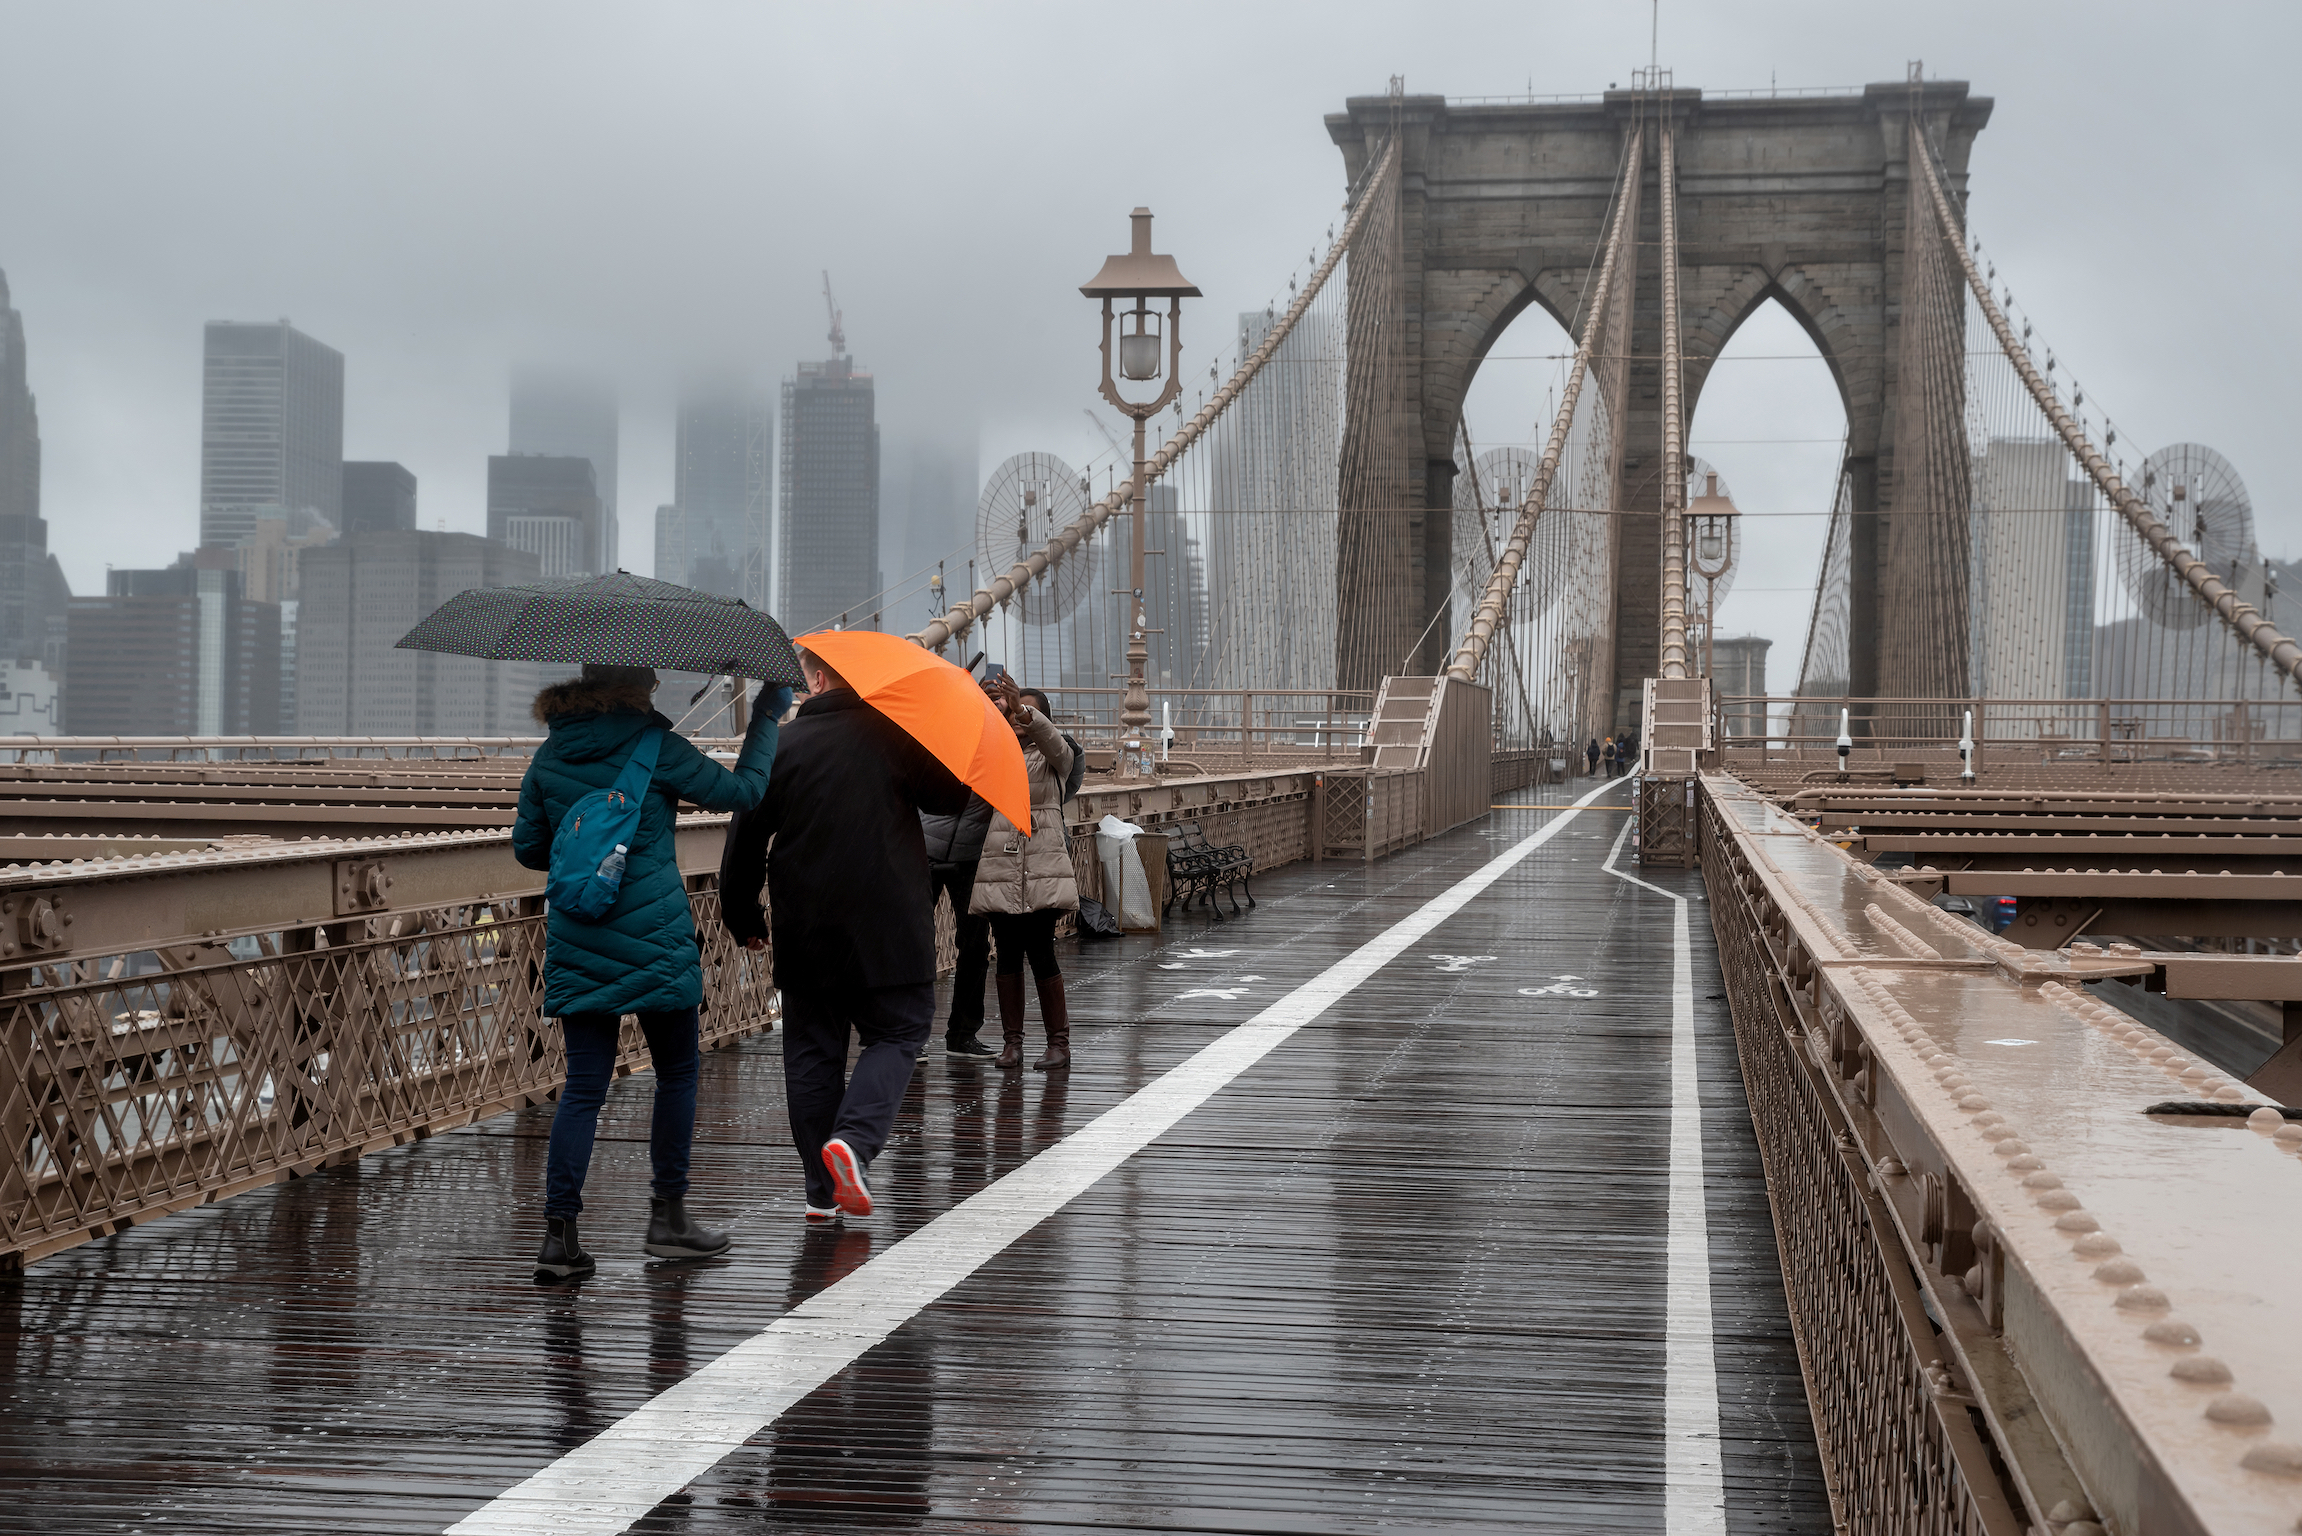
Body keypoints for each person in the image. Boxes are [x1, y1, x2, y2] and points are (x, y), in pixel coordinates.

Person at [512, 664, 786, 1281]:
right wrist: (766, 716)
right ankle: (668, 1220)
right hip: (655, 936)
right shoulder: (655, 744)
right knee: (677, 1073)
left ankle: (559, 1237)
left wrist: (583, 837)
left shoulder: (551, 753)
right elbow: (744, 793)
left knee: (583, 1086)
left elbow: (529, 849)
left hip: (579, 934)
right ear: (639, 686)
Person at [720, 648, 968, 1221]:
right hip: (890, 926)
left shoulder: (778, 747)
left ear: (820, 679)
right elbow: (953, 799)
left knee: (812, 1051)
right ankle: (852, 1144)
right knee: (900, 1032)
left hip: (806, 927)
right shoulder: (894, 736)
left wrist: (743, 918)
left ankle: (820, 1192)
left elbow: (743, 843)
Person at [970, 675, 1080, 1072]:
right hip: (1002, 865)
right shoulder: (998, 754)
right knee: (1007, 954)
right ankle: (1012, 1044)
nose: (1015, 716)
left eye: (1024, 711)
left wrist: (1022, 710)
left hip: (1043, 867)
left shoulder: (1056, 758)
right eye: (1012, 709)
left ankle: (1058, 1043)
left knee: (1041, 949)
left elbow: (1055, 744)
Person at [920, 790, 997, 1059]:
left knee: (976, 946)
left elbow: (1067, 779)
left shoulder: (998, 754)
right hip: (923, 849)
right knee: (915, 944)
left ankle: (963, 1034)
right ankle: (910, 1034)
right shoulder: (941, 750)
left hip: (971, 856)